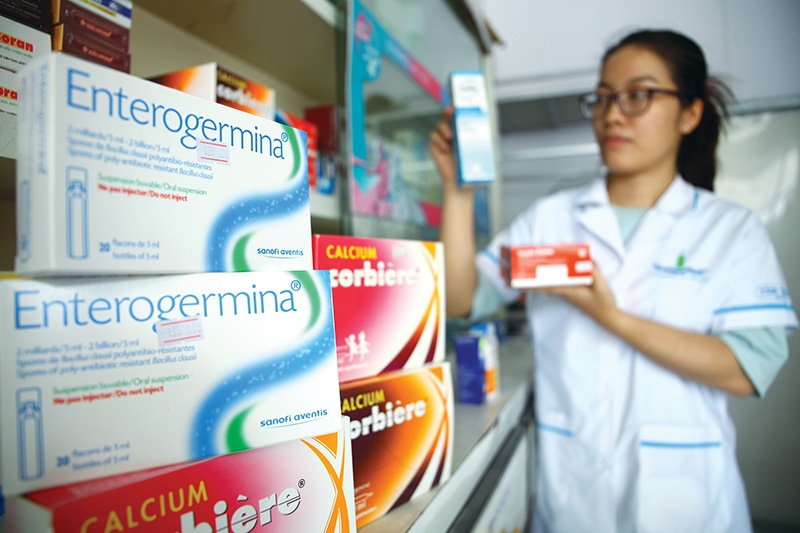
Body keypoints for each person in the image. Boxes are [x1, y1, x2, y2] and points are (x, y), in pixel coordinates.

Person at [429, 29, 798, 533]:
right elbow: (461, 298)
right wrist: (458, 191)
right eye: (602, 97)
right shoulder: (552, 218)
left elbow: (748, 368)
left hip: (688, 504)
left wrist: (612, 317)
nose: (612, 115)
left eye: (637, 95)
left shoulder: (730, 229)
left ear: (690, 114)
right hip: (573, 496)